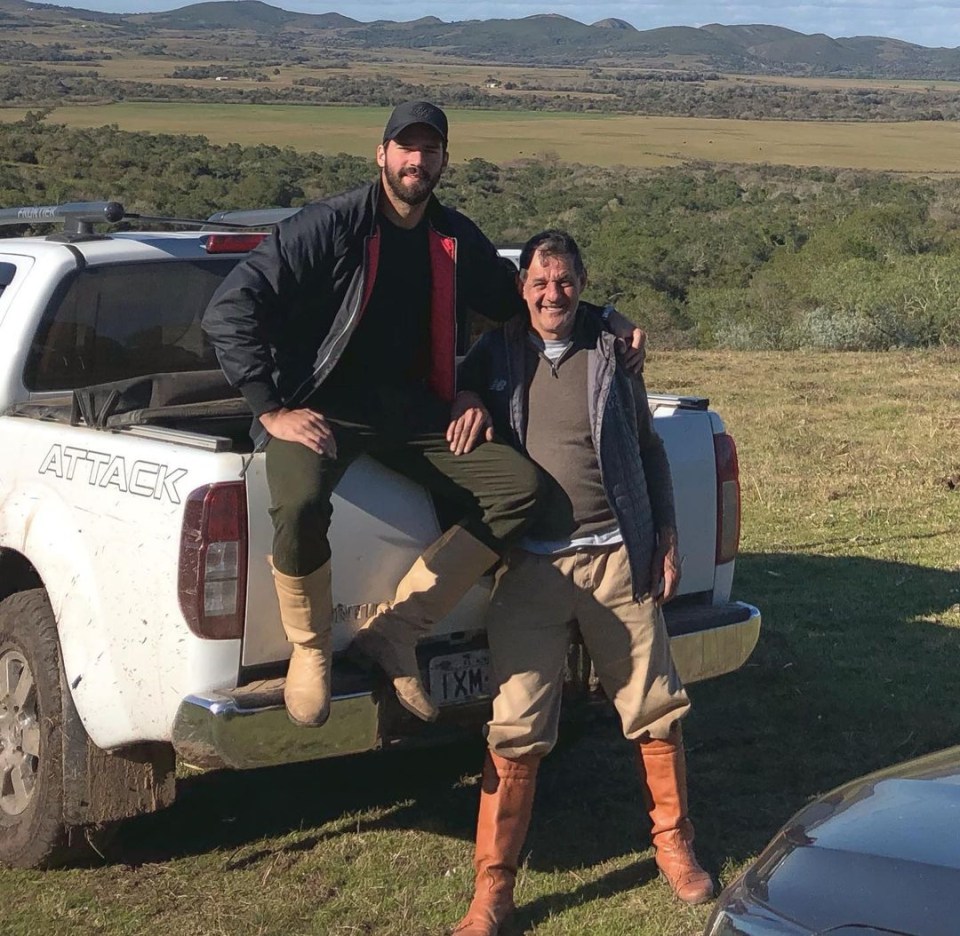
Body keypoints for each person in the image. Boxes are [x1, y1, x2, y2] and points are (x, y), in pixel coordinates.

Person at [202, 103, 647, 729]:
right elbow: (232, 307)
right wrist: (272, 408)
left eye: (430, 149)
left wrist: (605, 318)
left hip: (414, 410)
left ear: (443, 160)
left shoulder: (453, 237)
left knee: (521, 492)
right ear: (381, 154)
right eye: (406, 147)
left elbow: (526, 298)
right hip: (320, 405)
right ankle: (310, 651)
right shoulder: (328, 226)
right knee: (300, 503)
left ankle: (397, 630)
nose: (417, 160)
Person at [448, 230, 714, 936]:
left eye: (564, 282)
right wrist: (470, 395)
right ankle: (493, 890)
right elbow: (452, 381)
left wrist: (664, 537)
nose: (552, 294)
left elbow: (650, 449)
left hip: (614, 556)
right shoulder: (498, 350)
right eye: (540, 282)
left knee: (655, 709)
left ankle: (674, 847)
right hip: (532, 564)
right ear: (522, 287)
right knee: (515, 727)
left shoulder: (611, 349)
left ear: (582, 284)